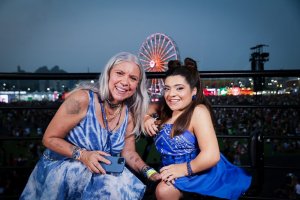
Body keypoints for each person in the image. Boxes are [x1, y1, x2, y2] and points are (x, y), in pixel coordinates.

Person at [20, 52, 160, 200]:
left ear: (137, 85)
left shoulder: (129, 113)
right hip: (64, 169)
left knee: (113, 185)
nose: (125, 82)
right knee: (111, 186)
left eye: (133, 78)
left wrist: (150, 172)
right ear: (108, 74)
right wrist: (83, 155)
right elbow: (49, 138)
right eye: (119, 73)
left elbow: (129, 153)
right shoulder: (81, 99)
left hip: (99, 171)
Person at [144, 58, 252, 200]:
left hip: (196, 172)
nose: (171, 94)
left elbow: (212, 155)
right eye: (167, 88)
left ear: (193, 90)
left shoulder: (198, 111)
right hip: (169, 171)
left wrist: (182, 169)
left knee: (163, 191)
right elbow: (143, 108)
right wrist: (146, 118)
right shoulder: (165, 109)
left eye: (179, 88)